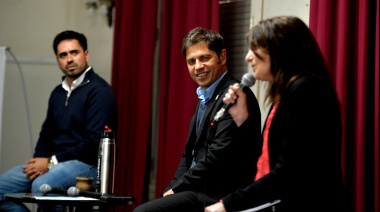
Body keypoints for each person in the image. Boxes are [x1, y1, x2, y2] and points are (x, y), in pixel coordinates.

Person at [205, 16, 347, 212]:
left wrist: (227, 204)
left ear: (279, 50)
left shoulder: (308, 91)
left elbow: (290, 173)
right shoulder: (287, 92)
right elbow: (267, 159)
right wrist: (243, 120)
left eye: (254, 49)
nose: (247, 57)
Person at [133, 27, 262, 212]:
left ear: (222, 57)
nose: (198, 66)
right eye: (191, 61)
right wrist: (172, 187)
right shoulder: (206, 96)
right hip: (196, 189)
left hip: (217, 194)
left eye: (205, 58)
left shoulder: (235, 95)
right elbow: (189, 155)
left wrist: (178, 188)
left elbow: (218, 156)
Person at [0, 30, 118, 212]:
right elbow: (46, 134)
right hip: (54, 163)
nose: (69, 59)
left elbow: (94, 143)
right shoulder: (58, 92)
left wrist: (50, 162)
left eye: (74, 52)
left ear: (86, 54)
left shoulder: (100, 91)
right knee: (1, 189)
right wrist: (38, 163)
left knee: (42, 186)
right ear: (58, 60)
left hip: (86, 165)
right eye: (63, 55)